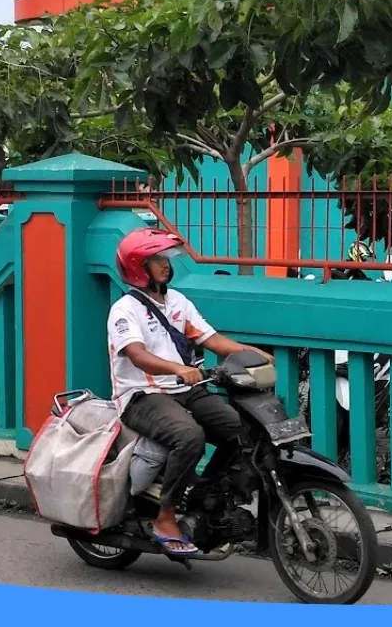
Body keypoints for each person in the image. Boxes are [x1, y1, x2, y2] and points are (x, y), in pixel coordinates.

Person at [107, 227, 272, 557]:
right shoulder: (124, 310)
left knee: (240, 430)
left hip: (186, 390)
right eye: (158, 260)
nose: (166, 266)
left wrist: (248, 352)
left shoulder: (177, 302)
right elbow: (137, 354)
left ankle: (203, 498)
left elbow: (211, 339)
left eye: (166, 259)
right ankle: (165, 516)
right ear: (139, 266)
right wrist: (178, 369)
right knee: (189, 436)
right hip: (142, 396)